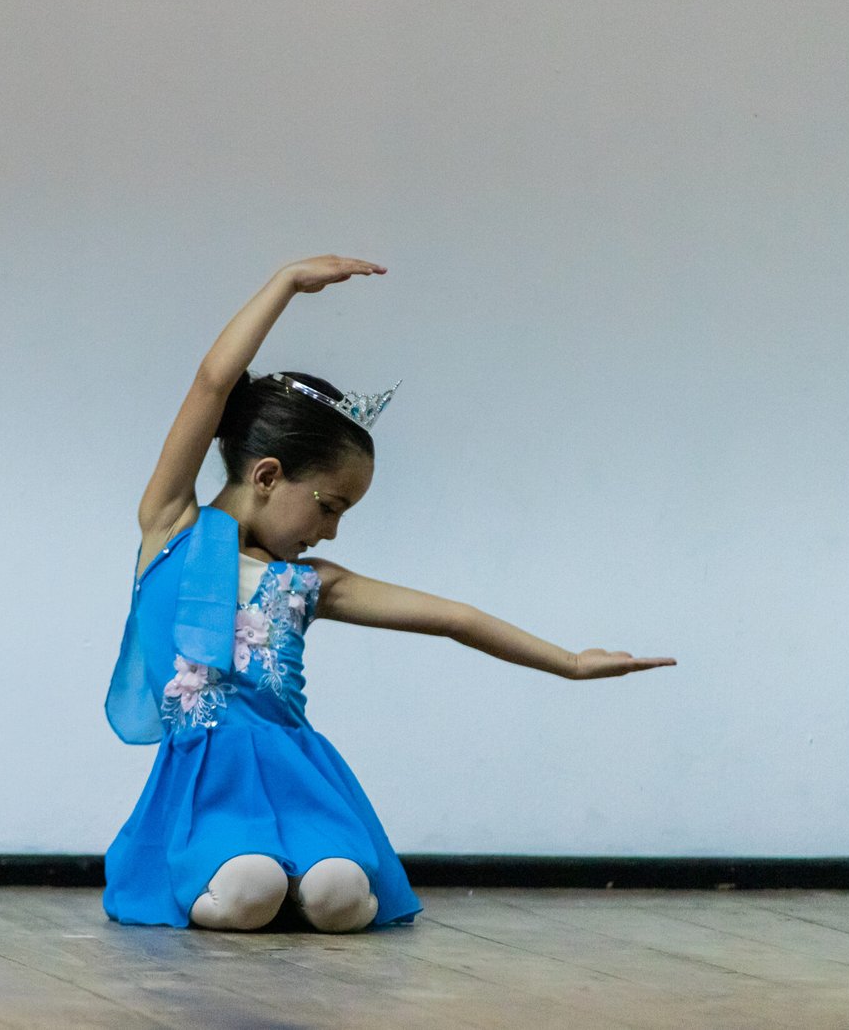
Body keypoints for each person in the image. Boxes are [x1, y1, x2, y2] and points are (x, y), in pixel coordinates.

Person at [102, 254, 677, 933]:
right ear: (267, 475)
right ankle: (240, 881)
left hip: (299, 782)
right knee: (249, 886)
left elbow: (454, 618)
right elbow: (211, 382)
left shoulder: (311, 584)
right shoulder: (171, 528)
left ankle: (298, 882)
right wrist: (285, 285)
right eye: (329, 506)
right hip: (207, 793)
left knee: (342, 893)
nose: (331, 531)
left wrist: (571, 662)